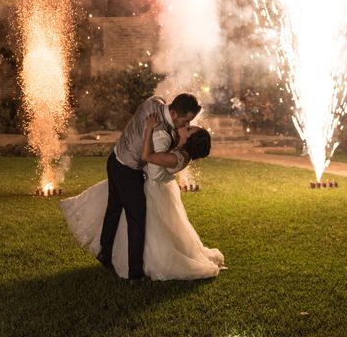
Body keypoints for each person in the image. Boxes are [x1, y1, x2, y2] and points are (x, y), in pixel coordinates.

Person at [59, 110, 225, 282]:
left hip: (153, 190)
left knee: (147, 226)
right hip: (151, 186)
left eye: (189, 130)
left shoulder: (177, 157)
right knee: (124, 215)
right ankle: (110, 253)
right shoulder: (178, 149)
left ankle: (135, 264)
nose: (186, 126)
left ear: (189, 140)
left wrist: (149, 130)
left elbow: (147, 157)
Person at [98, 93, 201, 283]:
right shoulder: (161, 132)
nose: (185, 125)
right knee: (137, 219)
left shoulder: (154, 101)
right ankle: (135, 273)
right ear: (175, 113)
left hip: (114, 158)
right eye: (185, 120)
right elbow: (154, 169)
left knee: (114, 208)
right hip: (128, 170)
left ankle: (105, 252)